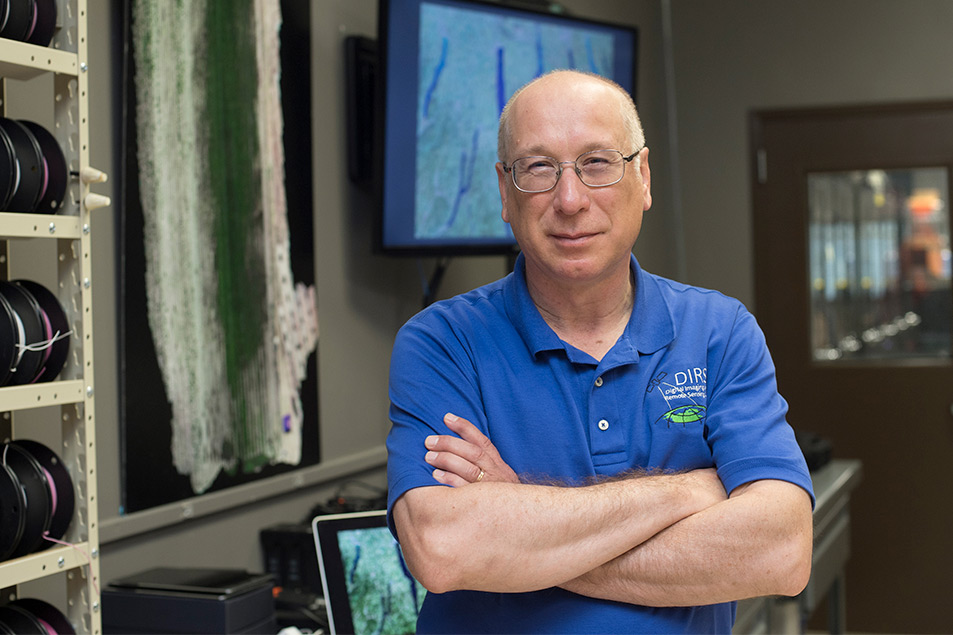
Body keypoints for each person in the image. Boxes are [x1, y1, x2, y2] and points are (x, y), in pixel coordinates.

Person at [385, 69, 814, 634]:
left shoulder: (720, 332)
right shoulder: (441, 343)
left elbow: (780, 553)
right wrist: (692, 489)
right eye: (538, 168)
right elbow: (444, 549)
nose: (569, 199)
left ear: (643, 178)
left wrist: (522, 527)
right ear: (504, 193)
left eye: (597, 162)